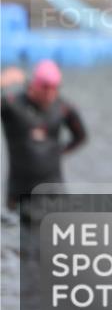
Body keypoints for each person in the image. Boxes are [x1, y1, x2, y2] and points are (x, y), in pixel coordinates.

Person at [1, 60, 87, 211]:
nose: (50, 93)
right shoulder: (12, 105)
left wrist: (57, 152)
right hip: (20, 194)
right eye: (45, 87)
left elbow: (81, 137)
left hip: (54, 193)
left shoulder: (62, 108)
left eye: (54, 88)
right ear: (33, 84)